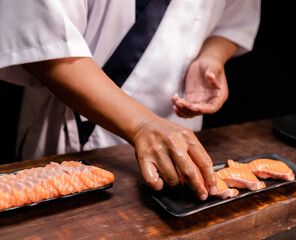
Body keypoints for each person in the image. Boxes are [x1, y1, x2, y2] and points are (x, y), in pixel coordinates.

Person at [0, 0, 261, 200]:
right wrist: (142, 125)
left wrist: (212, 56)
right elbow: (42, 41)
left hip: (179, 130)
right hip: (75, 128)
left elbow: (234, 19)